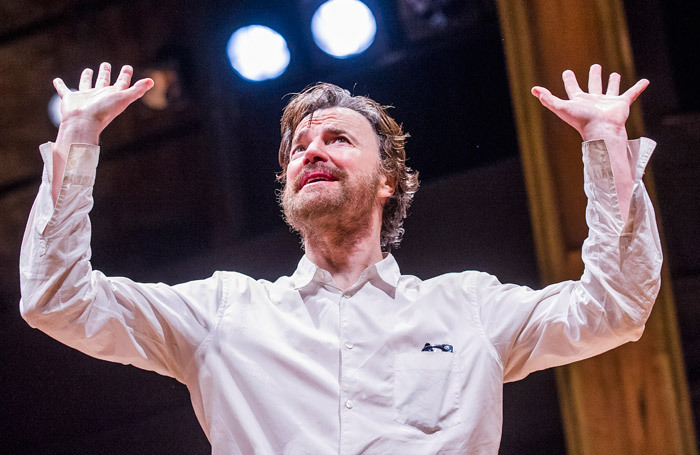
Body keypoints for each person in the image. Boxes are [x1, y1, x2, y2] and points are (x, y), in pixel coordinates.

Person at [20, 62, 661, 454]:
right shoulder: (222, 313)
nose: (310, 151)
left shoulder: (469, 308)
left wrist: (605, 144)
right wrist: (77, 141)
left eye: (337, 139)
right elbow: (58, 300)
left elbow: (613, 309)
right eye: (299, 146)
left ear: (389, 181)